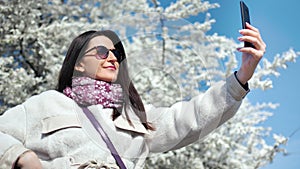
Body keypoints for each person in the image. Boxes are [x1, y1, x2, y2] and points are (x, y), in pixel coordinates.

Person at [0, 22, 266, 169]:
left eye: (117, 54)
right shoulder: (46, 103)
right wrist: (21, 157)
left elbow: (191, 118)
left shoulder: (135, 117)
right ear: (78, 63)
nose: (112, 58)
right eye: (102, 53)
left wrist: (241, 76)